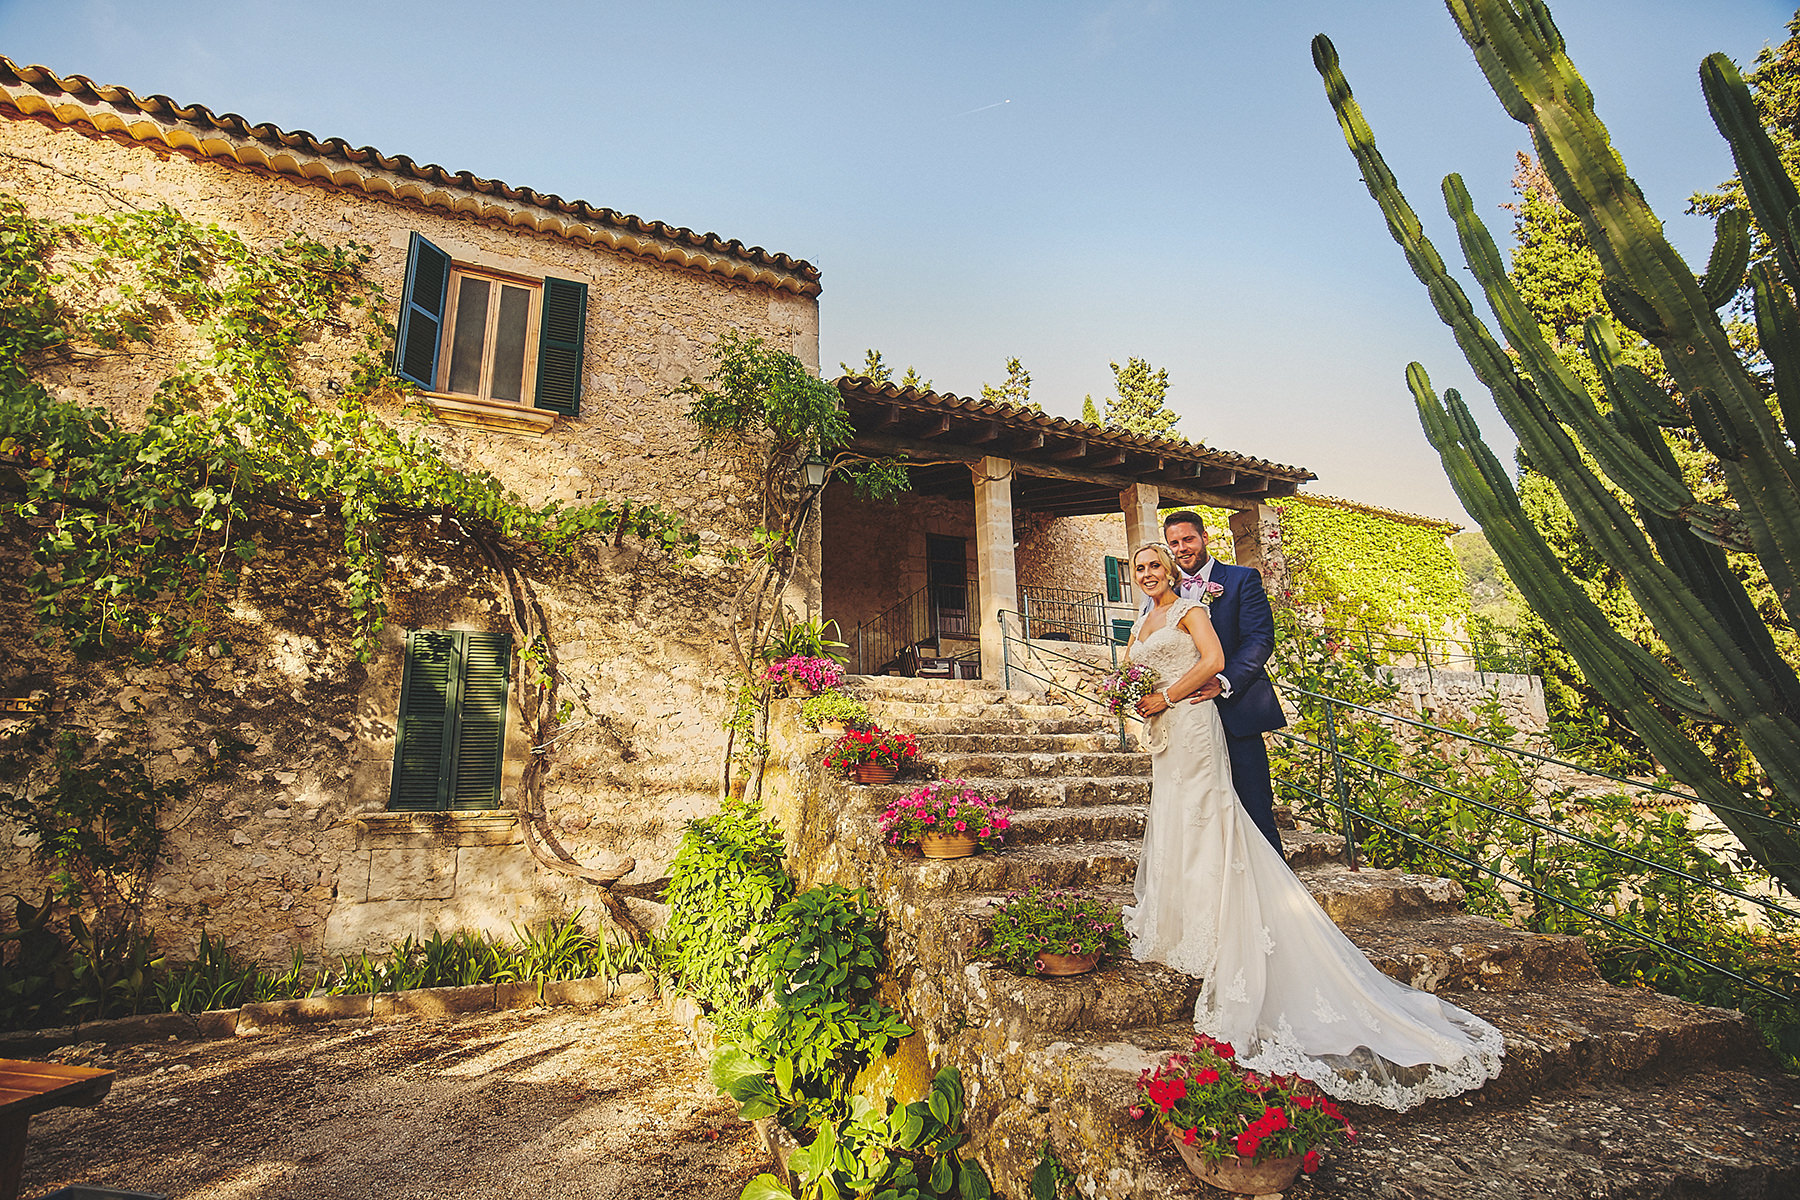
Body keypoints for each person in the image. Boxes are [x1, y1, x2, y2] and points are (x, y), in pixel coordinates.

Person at [1120, 542, 1504, 1110]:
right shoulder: (1140, 621)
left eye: (1158, 564)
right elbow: (1134, 672)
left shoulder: (1189, 608)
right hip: (1165, 738)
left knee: (1208, 818)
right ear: (1133, 575)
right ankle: (1181, 923)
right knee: (1176, 819)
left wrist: (1166, 697)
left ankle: (1221, 922)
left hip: (1195, 724)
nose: (1150, 572)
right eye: (1141, 567)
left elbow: (1215, 662)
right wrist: (1129, 698)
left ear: (1172, 569)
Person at [1147, 511, 1286, 853]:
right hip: (1186, 719)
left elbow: (1259, 640)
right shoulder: (1167, 591)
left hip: (1236, 708)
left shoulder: (1241, 579)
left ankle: (1272, 897)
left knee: (1253, 804)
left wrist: (1222, 681)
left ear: (1205, 537)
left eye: (1188, 539)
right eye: (1174, 543)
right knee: (1199, 810)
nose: (1182, 548)